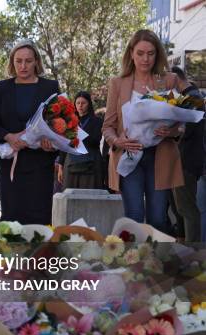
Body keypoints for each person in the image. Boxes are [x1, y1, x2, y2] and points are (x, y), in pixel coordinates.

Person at [102, 29, 183, 232]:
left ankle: (154, 262)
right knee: (134, 217)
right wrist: (118, 141)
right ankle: (132, 262)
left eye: (150, 53)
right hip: (130, 156)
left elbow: (181, 123)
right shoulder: (117, 83)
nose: (145, 59)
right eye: (140, 53)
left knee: (158, 218)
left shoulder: (170, 80)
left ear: (157, 54)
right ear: (131, 53)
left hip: (160, 156)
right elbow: (107, 126)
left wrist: (171, 131)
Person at [0, 39, 60, 225]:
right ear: (12, 62)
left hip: (40, 165)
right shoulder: (1, 88)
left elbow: (60, 124)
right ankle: (12, 255)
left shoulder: (50, 87)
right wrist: (8, 136)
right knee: (11, 221)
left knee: (40, 219)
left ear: (36, 61)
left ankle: (41, 255)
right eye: (18, 61)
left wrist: (51, 143)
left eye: (28, 61)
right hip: (9, 166)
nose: (23, 65)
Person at [170, 66, 204, 242]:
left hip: (187, 161)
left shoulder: (194, 99)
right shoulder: (191, 98)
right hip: (186, 160)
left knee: (187, 209)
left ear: (176, 78)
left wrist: (170, 130)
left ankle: (193, 253)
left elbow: (186, 131)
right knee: (181, 209)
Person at [57, 91, 105, 190]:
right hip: (70, 161)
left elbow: (96, 141)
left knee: (89, 195)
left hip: (91, 161)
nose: (80, 105)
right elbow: (64, 144)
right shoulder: (69, 121)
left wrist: (79, 133)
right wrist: (60, 165)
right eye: (78, 103)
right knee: (69, 194)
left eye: (83, 103)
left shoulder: (97, 121)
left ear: (89, 104)